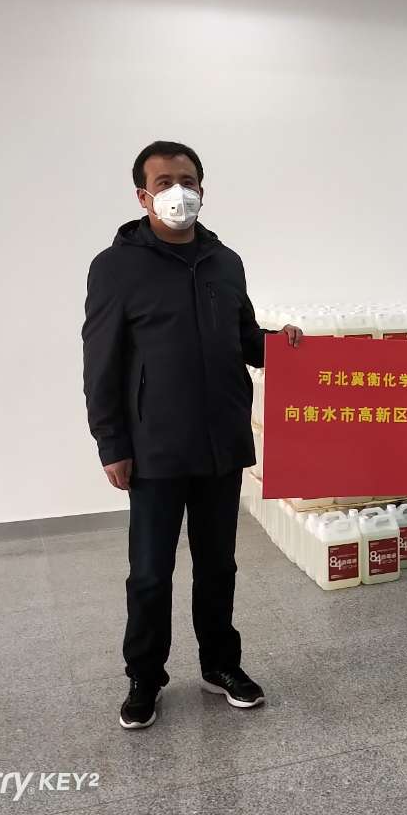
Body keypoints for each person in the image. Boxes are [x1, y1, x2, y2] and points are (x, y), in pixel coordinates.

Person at [82, 140, 302, 729]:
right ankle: (144, 676)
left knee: (218, 565)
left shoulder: (225, 261)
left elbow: (245, 339)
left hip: (220, 442)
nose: (178, 192)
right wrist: (111, 444)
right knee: (151, 573)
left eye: (188, 180)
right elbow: (100, 363)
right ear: (143, 196)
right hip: (153, 448)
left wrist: (283, 345)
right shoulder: (116, 268)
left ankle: (220, 665)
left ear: (202, 189)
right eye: (164, 182)